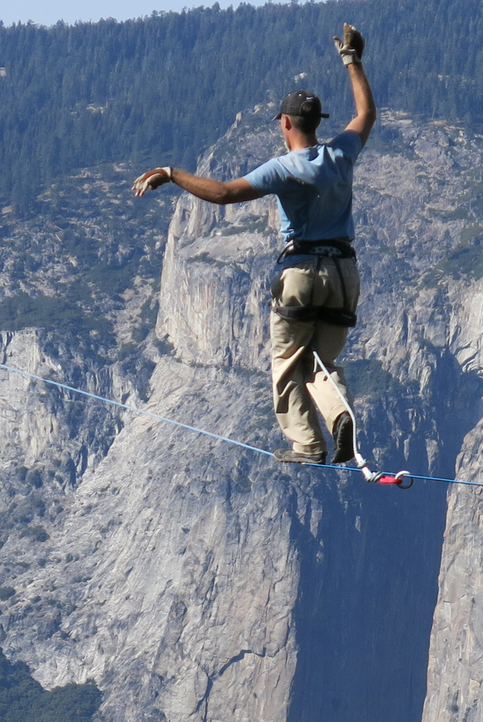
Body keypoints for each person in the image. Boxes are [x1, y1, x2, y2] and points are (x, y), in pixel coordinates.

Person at [133, 24, 375, 465]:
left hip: (302, 273)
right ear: (317, 123)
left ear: (285, 123)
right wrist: (352, 62)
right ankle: (339, 413)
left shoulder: (283, 168)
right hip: (345, 273)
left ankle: (308, 445)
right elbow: (366, 114)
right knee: (318, 362)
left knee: (287, 362)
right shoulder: (341, 153)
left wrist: (172, 173)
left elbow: (224, 193)